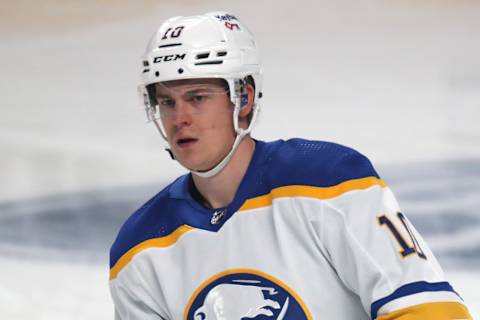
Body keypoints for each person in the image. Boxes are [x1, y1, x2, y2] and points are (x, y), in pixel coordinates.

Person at [109, 11, 472, 320]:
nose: (179, 119)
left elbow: (427, 308)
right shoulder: (139, 247)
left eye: (197, 98)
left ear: (244, 97)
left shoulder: (328, 181)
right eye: (167, 102)